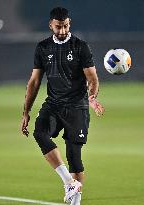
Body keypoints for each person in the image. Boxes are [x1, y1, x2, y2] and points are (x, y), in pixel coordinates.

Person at [21, 7, 104, 205]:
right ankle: (69, 182)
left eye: (66, 26)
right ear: (51, 25)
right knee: (40, 132)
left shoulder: (80, 47)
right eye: (58, 27)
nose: (62, 30)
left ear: (69, 24)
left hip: (77, 106)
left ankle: (75, 202)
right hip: (54, 104)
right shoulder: (42, 48)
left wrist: (92, 98)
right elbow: (34, 82)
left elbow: (92, 79)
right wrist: (26, 112)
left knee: (74, 157)